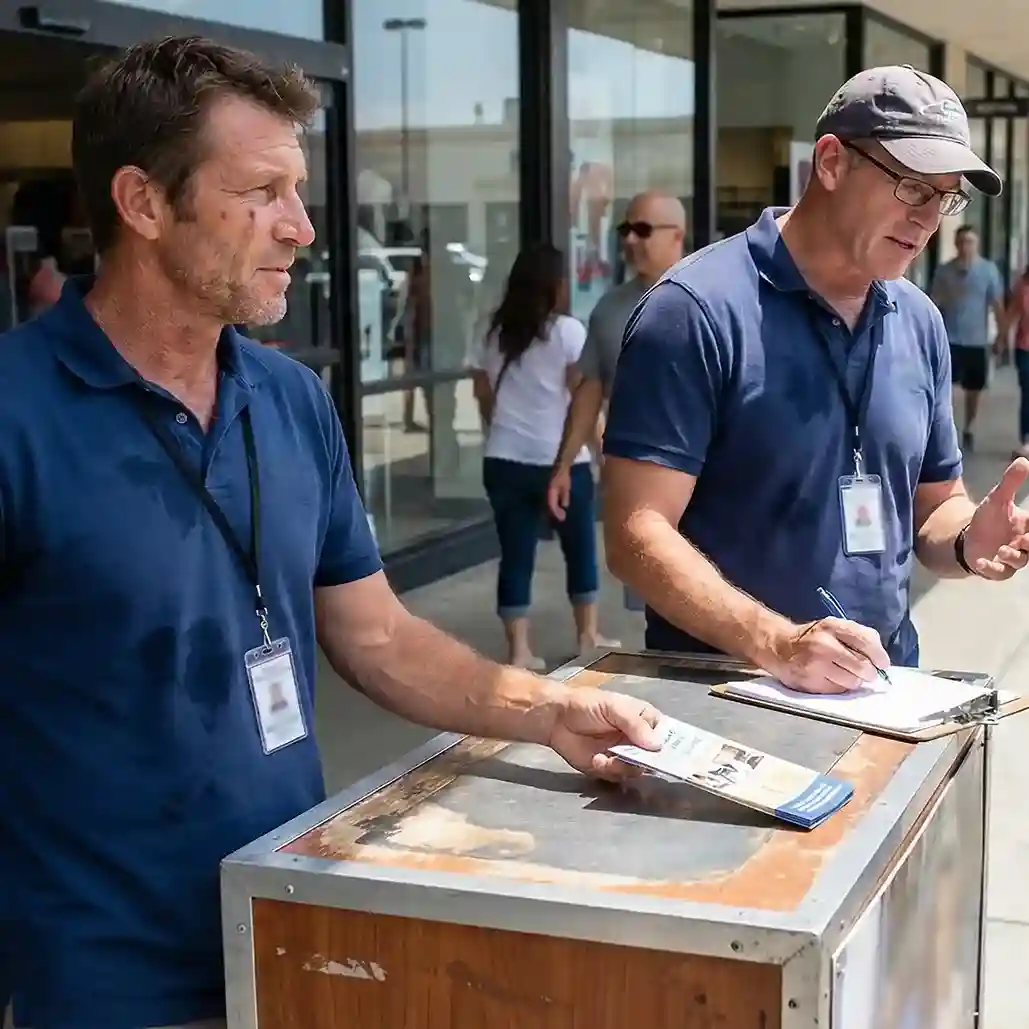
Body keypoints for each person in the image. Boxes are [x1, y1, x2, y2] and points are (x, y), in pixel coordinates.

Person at [0, 37, 664, 1029]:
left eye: (298, 192)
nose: (302, 227)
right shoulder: (16, 412)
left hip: (293, 937)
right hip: (107, 984)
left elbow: (376, 636)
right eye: (261, 192)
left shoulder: (290, 399)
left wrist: (548, 711)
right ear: (141, 203)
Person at [600, 64, 1029, 697]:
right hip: (727, 694)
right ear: (830, 162)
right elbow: (635, 532)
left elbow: (934, 506)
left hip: (885, 689)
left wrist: (969, 540)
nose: (927, 219)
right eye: (912, 186)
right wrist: (777, 642)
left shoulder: (919, 321)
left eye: (944, 197)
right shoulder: (694, 311)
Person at [470, 243, 619, 668]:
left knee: (516, 555)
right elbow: (583, 401)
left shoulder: (489, 331)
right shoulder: (568, 332)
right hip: (561, 464)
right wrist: (601, 453)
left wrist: (503, 433)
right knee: (580, 549)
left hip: (504, 459)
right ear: (555, 286)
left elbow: (482, 395)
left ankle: (519, 650)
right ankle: (588, 636)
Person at [547, 190, 687, 521]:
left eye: (643, 230)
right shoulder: (609, 309)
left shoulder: (716, 300)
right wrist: (564, 465)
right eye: (625, 230)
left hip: (706, 485)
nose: (631, 240)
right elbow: (590, 389)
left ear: (677, 235)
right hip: (633, 484)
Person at [930, 224, 1004, 450]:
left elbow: (997, 304)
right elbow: (933, 303)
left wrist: (1001, 336)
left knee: (974, 388)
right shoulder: (945, 271)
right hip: (949, 338)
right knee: (945, 386)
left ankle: (969, 426)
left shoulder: (988, 270)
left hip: (976, 339)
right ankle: (946, 428)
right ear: (955, 244)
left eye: (969, 242)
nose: (965, 246)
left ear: (977, 244)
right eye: (961, 242)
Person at [998, 264, 1029, 458]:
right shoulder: (1022, 285)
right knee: (1028, 392)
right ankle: (1026, 439)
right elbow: (1012, 313)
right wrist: (1000, 338)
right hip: (1024, 348)